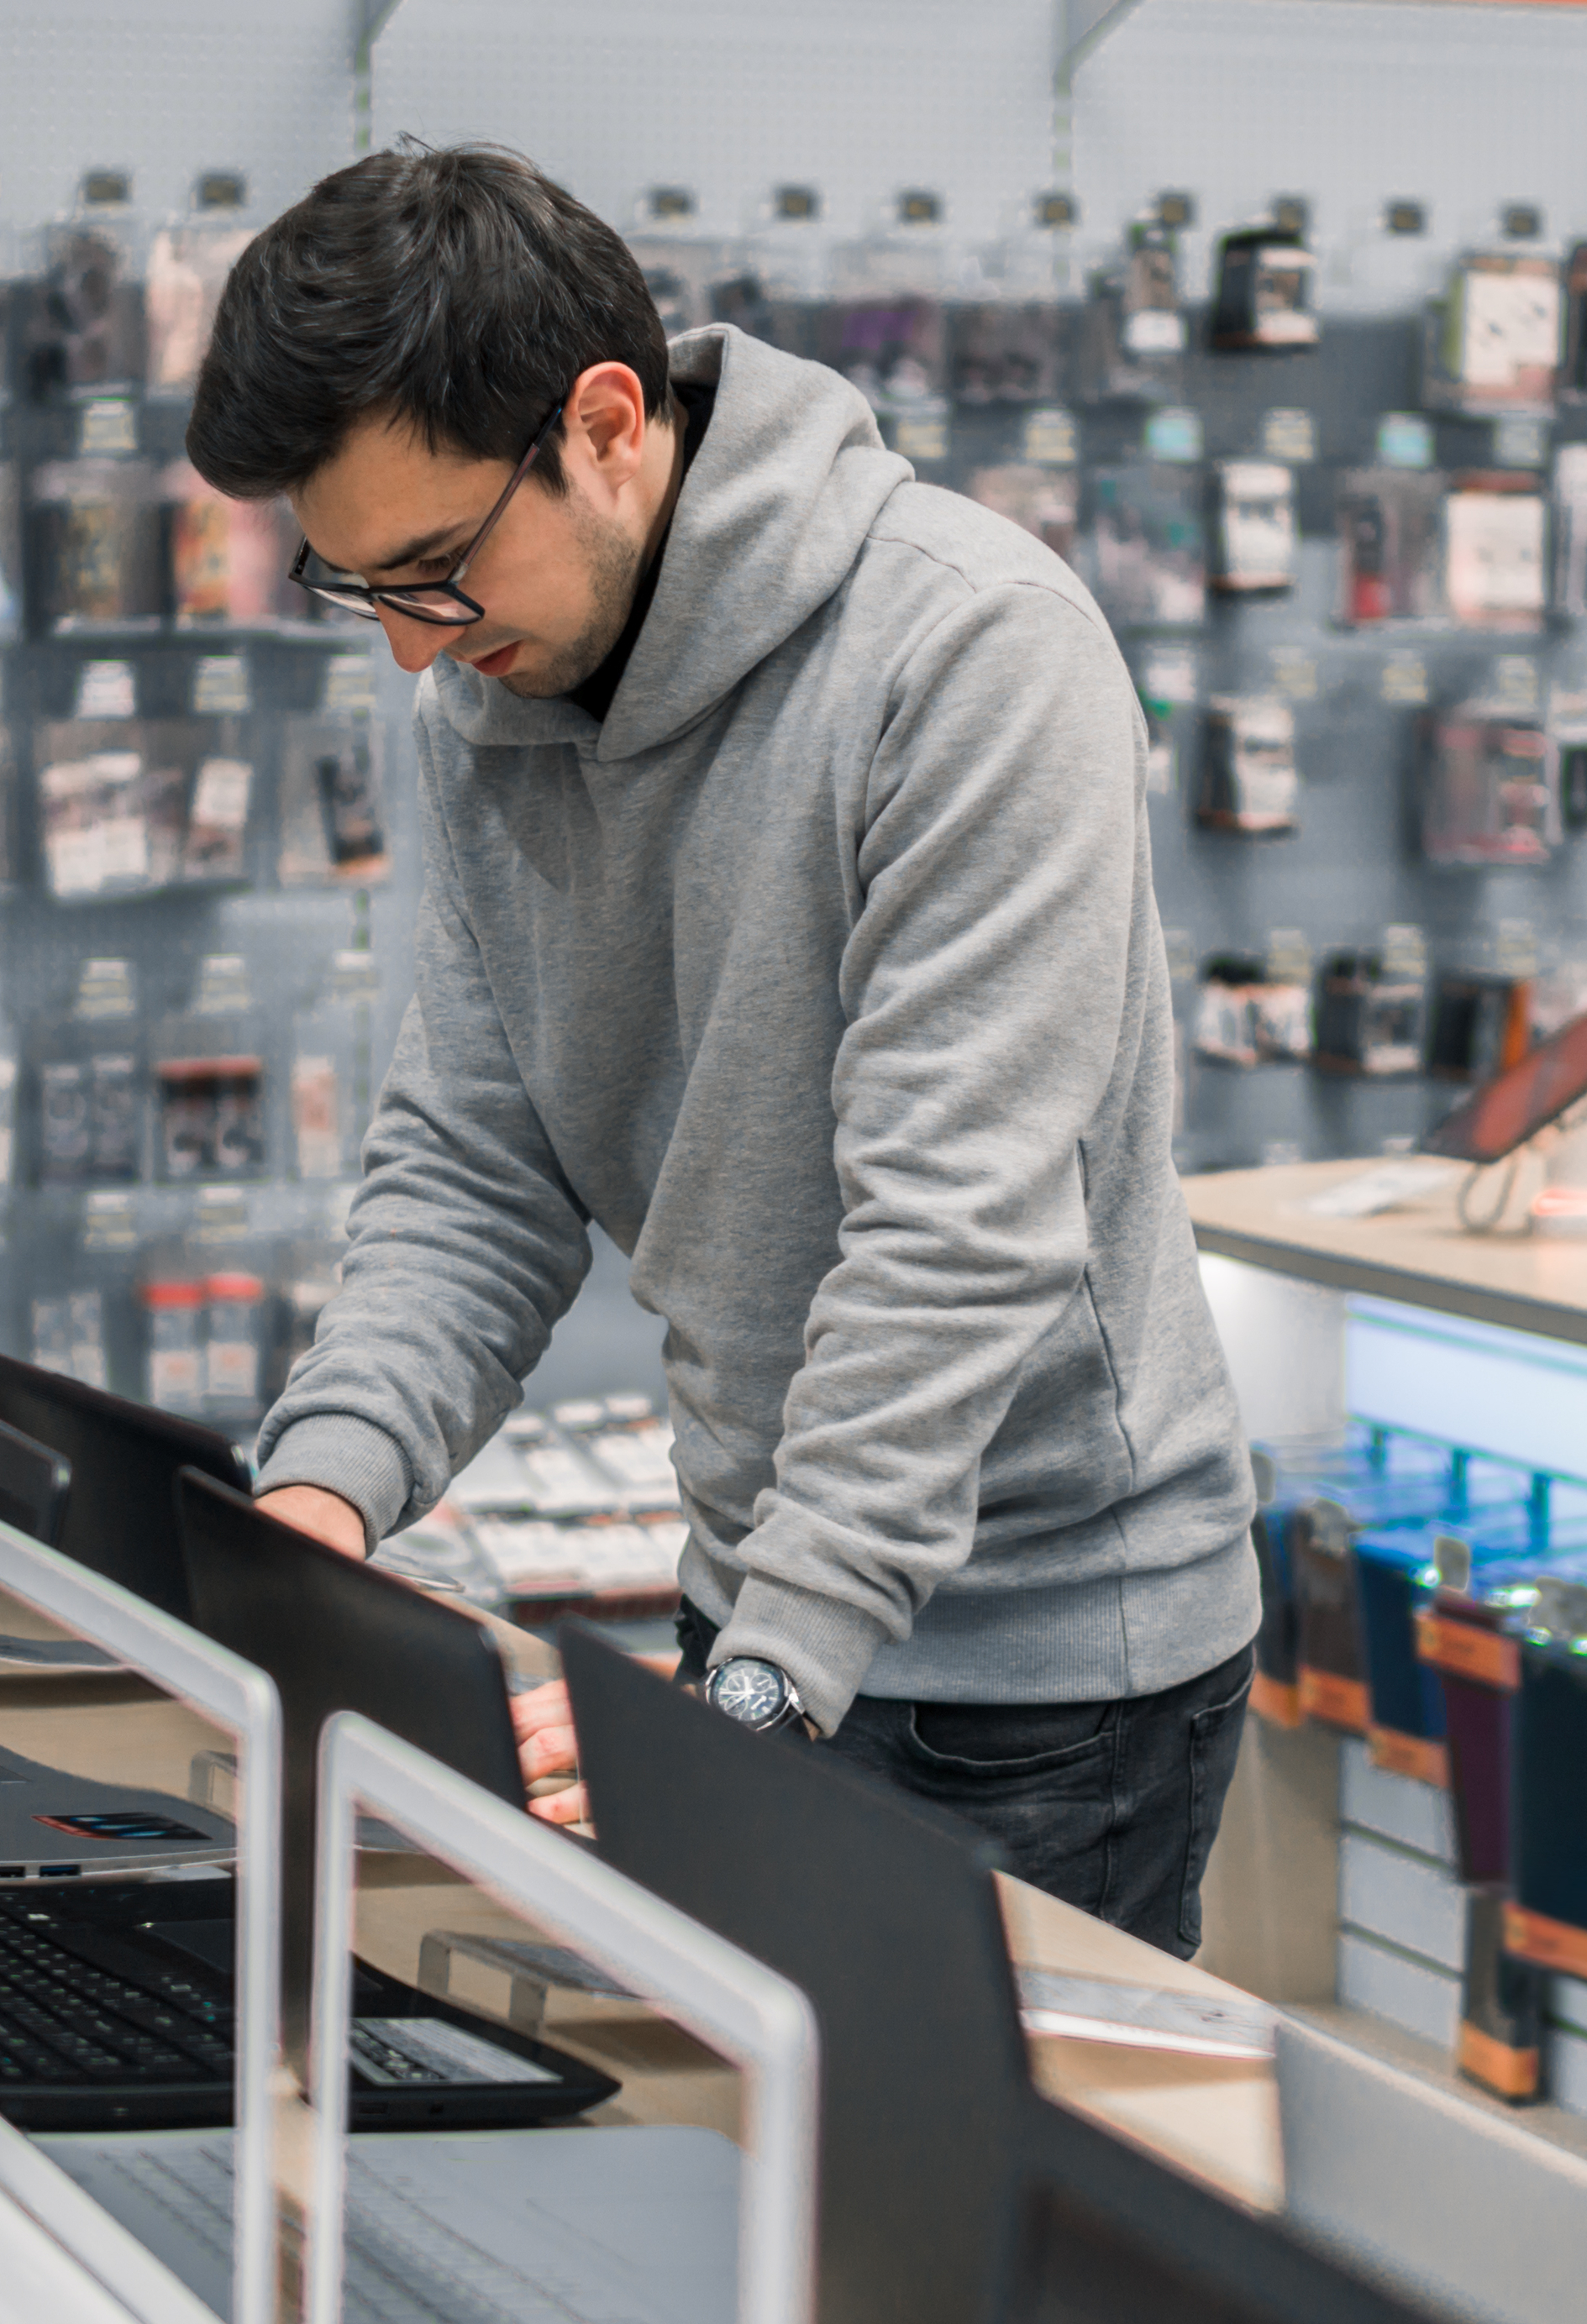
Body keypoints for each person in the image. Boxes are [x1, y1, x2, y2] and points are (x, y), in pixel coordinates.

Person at [184, 142, 1258, 1951]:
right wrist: (315, 1501)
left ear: (604, 423)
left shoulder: (967, 654)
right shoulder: (488, 694)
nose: (400, 651)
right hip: (757, 1612)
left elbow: (951, 1236)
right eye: (351, 584)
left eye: (430, 571)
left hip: (1043, 1676)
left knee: (944, 2232)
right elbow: (469, 1168)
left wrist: (750, 1706)